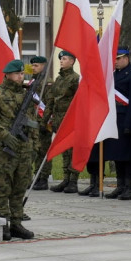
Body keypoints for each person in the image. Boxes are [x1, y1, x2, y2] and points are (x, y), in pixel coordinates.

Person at [0, 59, 40, 240]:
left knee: (20, 186)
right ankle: (2, 223)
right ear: (7, 74)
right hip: (4, 149)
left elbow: (32, 121)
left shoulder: (26, 95)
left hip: (24, 149)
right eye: (17, 74)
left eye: (22, 74)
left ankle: (16, 223)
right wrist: (3, 134)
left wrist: (35, 144)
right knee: (2, 186)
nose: (20, 77)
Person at [103, 49, 131, 200]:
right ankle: (120, 186)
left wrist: (130, 124)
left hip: (126, 119)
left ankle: (129, 187)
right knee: (116, 155)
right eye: (115, 59)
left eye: (118, 59)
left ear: (126, 58)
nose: (116, 61)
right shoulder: (113, 74)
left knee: (127, 156)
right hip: (114, 119)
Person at [46, 51, 81, 194]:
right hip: (59, 118)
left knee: (73, 150)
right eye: (60, 58)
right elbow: (53, 100)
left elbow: (78, 100)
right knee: (64, 150)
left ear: (72, 61)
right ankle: (66, 179)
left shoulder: (75, 79)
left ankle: (73, 180)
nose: (61, 60)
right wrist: (50, 118)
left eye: (64, 58)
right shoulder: (59, 79)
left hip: (70, 119)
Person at [27, 56, 52, 190]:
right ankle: (36, 177)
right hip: (33, 122)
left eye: (36, 65)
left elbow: (48, 104)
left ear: (43, 66)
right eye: (32, 65)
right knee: (34, 150)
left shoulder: (46, 83)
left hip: (44, 122)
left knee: (44, 151)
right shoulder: (33, 82)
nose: (33, 68)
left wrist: (45, 121)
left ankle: (44, 178)